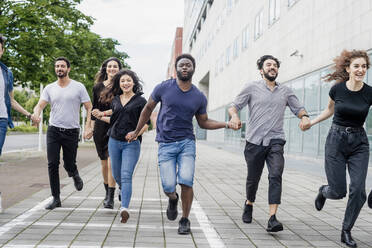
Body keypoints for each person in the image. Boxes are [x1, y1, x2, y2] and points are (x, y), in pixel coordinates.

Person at [126, 54, 231, 235]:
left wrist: (226, 124)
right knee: (168, 186)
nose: (184, 67)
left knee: (186, 180)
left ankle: (185, 219)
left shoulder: (198, 96)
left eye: (188, 65)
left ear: (193, 69)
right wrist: (136, 131)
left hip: (186, 143)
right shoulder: (164, 87)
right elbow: (148, 109)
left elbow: (204, 122)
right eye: (181, 65)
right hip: (166, 144)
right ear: (176, 68)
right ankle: (173, 199)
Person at [228, 55, 310, 232]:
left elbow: (298, 108)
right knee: (253, 178)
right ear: (261, 70)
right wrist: (234, 115)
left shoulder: (286, 91)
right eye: (268, 65)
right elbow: (234, 106)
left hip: (276, 140)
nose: (272, 67)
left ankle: (272, 218)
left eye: (275, 65)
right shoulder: (251, 87)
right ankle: (249, 203)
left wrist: (304, 117)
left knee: (275, 174)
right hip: (254, 141)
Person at [301, 50, 371, 248]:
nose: (360, 70)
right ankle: (324, 191)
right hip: (336, 141)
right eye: (356, 66)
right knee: (338, 191)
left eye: (364, 66)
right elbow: (330, 110)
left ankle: (346, 231)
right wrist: (311, 122)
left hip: (359, 142)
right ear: (348, 68)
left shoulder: (370, 92)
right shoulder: (337, 89)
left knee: (358, 190)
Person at [33, 57, 93, 210]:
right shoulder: (49, 88)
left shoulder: (78, 87)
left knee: (68, 163)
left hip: (72, 131)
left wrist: (88, 127)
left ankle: (74, 173)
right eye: (57, 66)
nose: (59, 68)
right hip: (54, 130)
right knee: (52, 164)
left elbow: (89, 107)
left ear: (68, 69)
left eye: (62, 66)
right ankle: (56, 198)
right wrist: (37, 114)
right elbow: (40, 105)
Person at [97, 69, 149, 223]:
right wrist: (101, 115)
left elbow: (146, 124)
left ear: (134, 82)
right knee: (117, 175)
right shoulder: (115, 100)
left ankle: (124, 208)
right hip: (114, 141)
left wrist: (136, 133)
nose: (125, 83)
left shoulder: (141, 102)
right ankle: (122, 189)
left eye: (128, 80)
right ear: (119, 84)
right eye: (122, 81)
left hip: (131, 144)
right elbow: (114, 118)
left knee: (126, 175)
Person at [90, 57, 122, 209]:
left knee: (111, 162)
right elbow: (94, 109)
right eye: (109, 66)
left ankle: (110, 197)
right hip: (100, 129)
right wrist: (89, 127)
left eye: (115, 66)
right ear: (105, 68)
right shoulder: (97, 87)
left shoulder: (122, 85)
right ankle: (107, 192)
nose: (112, 69)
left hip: (116, 127)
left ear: (119, 69)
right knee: (103, 163)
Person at [0, 34, 38, 155]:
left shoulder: (7, 73)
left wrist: (29, 115)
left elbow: (11, 100)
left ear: (2, 51)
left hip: (2, 119)